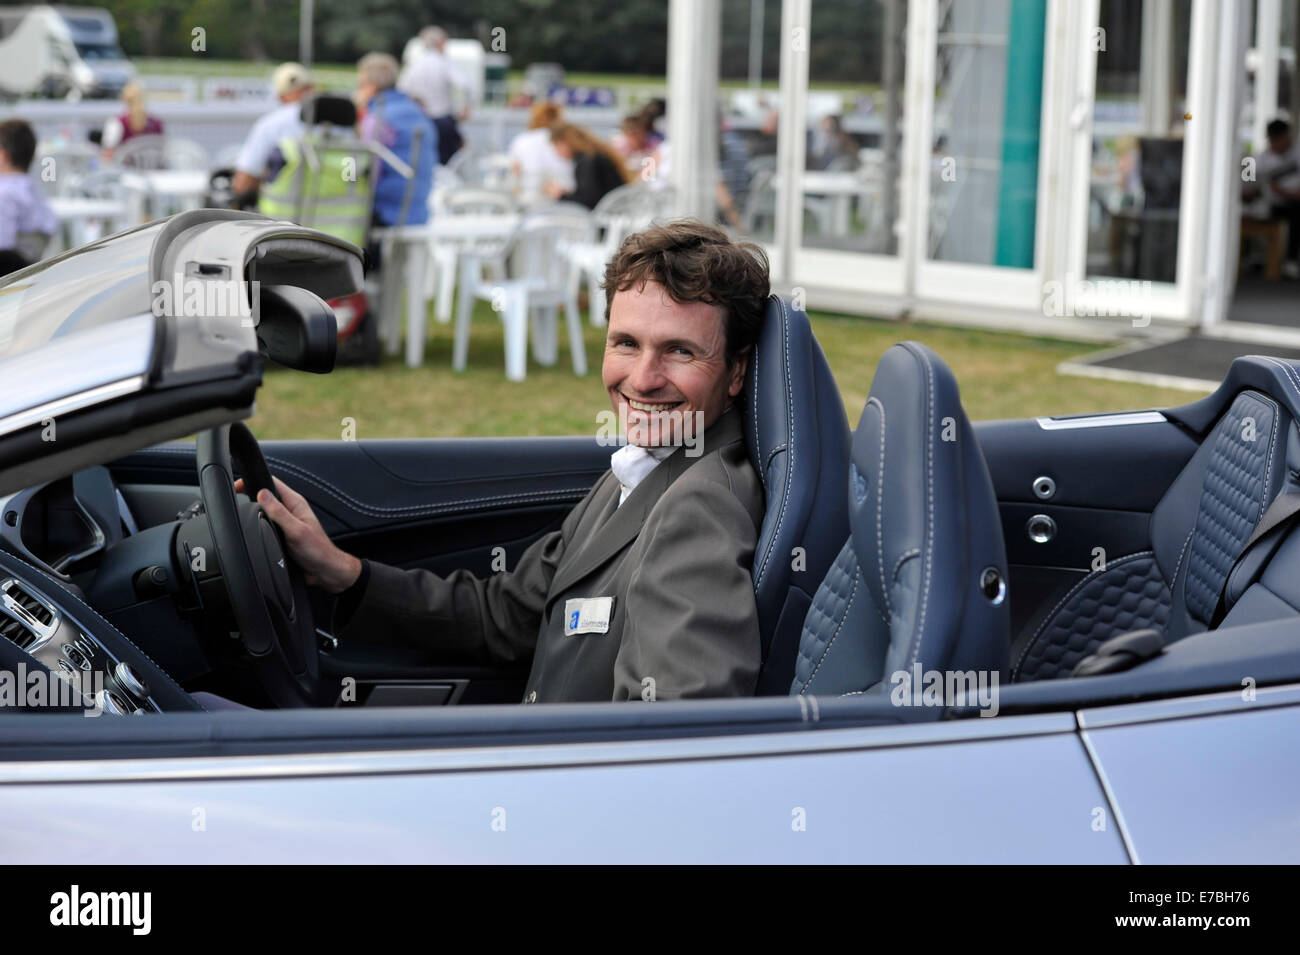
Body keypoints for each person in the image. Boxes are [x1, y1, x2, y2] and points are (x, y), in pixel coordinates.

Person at [247, 221, 771, 702]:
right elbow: (508, 615)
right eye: (627, 343)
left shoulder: (698, 506)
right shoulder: (645, 466)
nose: (643, 378)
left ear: (736, 371)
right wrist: (344, 573)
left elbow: (679, 734)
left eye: (680, 351)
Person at [355, 52, 436, 227]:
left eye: (360, 85)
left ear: (371, 87)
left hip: (387, 214)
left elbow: (365, 174)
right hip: (418, 211)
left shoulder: (378, 118)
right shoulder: (419, 114)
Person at [231, 63, 315, 201]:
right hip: (344, 218)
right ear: (311, 88)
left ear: (279, 95)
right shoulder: (343, 124)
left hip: (284, 217)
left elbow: (243, 182)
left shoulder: (270, 124)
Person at [398, 25, 471, 164]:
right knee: (449, 160)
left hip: (420, 120)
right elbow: (464, 85)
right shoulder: (444, 63)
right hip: (443, 120)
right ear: (440, 42)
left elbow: (402, 89)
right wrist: (465, 108)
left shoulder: (414, 64)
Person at [0, 119, 58, 277]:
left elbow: (3, 247)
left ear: (3, 155)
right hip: (29, 276)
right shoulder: (33, 192)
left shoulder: (4, 195)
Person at [1247, 119, 1300, 277]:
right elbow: (1252, 186)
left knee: (1296, 212)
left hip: (1294, 202)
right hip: (1271, 203)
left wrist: (1285, 193)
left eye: (1280, 140)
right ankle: (1256, 258)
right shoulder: (1261, 159)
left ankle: (1291, 261)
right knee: (1253, 211)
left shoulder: (1297, 153)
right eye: (1273, 140)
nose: (1276, 144)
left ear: (1288, 137)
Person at [544, 122, 633, 208]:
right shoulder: (595, 154)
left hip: (609, 215)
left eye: (556, 147)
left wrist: (560, 195)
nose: (556, 152)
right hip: (619, 209)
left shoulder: (586, 161)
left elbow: (589, 202)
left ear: (564, 143)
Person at [507, 101, 573, 200]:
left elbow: (515, 174)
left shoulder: (522, 140)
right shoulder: (565, 141)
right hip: (564, 200)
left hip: (529, 199)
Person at [100, 82, 163, 161]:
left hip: (126, 170)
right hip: (154, 171)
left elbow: (108, 154)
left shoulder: (117, 123)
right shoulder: (156, 123)